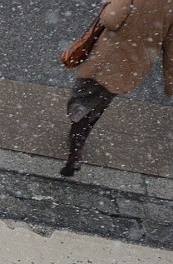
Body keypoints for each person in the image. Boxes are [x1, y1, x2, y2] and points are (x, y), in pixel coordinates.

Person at [60, 0, 173, 176]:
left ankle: (75, 153)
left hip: (108, 57)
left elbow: (110, 20)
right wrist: (170, 81)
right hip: (135, 64)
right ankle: (79, 140)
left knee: (80, 102)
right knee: (100, 103)